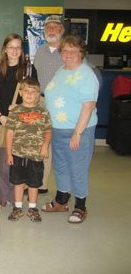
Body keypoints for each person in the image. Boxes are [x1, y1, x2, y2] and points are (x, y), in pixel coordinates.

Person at [43, 35, 99, 224]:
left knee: (77, 169)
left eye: (73, 51)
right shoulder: (61, 70)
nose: (68, 54)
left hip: (78, 130)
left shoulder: (87, 75)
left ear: (81, 53)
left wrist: (78, 132)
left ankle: (80, 207)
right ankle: (61, 201)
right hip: (58, 129)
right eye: (65, 50)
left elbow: (88, 106)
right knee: (60, 167)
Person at [0, 33, 38, 207]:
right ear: (5, 50)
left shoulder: (29, 70)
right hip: (4, 123)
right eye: (11, 47)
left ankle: (17, 198)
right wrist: (1, 117)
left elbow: (34, 97)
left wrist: (20, 112)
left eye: (18, 47)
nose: (14, 51)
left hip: (24, 123)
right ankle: (4, 197)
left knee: (21, 164)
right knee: (5, 163)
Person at [5, 78, 52, 222]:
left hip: (35, 155)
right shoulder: (15, 111)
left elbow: (48, 131)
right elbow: (9, 133)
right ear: (20, 93)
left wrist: (45, 146)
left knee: (34, 182)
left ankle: (32, 208)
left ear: (39, 95)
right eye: (26, 91)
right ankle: (18, 207)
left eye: (33, 92)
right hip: (17, 154)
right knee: (18, 182)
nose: (29, 94)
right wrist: (8, 153)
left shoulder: (43, 113)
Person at [33, 15, 65, 194]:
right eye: (48, 27)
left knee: (53, 143)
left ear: (62, 30)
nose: (51, 30)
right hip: (41, 100)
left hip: (60, 103)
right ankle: (38, 183)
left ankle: (45, 184)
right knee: (39, 142)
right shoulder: (40, 51)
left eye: (55, 27)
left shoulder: (68, 51)